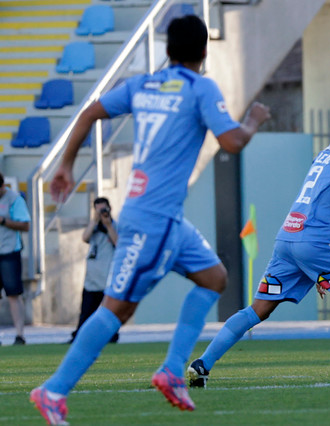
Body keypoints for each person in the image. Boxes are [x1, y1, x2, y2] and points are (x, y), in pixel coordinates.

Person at [30, 14, 270, 424]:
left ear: (167, 50)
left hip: (165, 217)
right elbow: (231, 141)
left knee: (214, 277)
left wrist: (66, 165)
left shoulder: (144, 83)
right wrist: (252, 120)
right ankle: (53, 390)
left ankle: (172, 372)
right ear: (204, 51)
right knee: (116, 309)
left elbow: (89, 112)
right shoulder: (200, 88)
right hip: (154, 219)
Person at [186, 100, 330, 389]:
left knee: (258, 310)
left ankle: (203, 363)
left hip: (289, 237)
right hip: (316, 242)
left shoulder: (327, 153)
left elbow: (321, 201)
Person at [68, 197, 119, 344]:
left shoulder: (115, 226)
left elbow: (118, 243)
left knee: (107, 312)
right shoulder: (94, 226)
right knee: (86, 311)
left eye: (104, 209)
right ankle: (79, 336)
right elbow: (85, 237)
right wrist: (95, 220)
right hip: (92, 277)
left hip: (107, 276)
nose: (102, 212)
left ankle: (110, 336)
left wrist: (108, 225)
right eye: (98, 210)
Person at [0, 172, 31, 346]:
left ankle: (20, 334)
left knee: (13, 294)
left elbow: (25, 225)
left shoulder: (14, 199)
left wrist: (3, 221)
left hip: (9, 251)